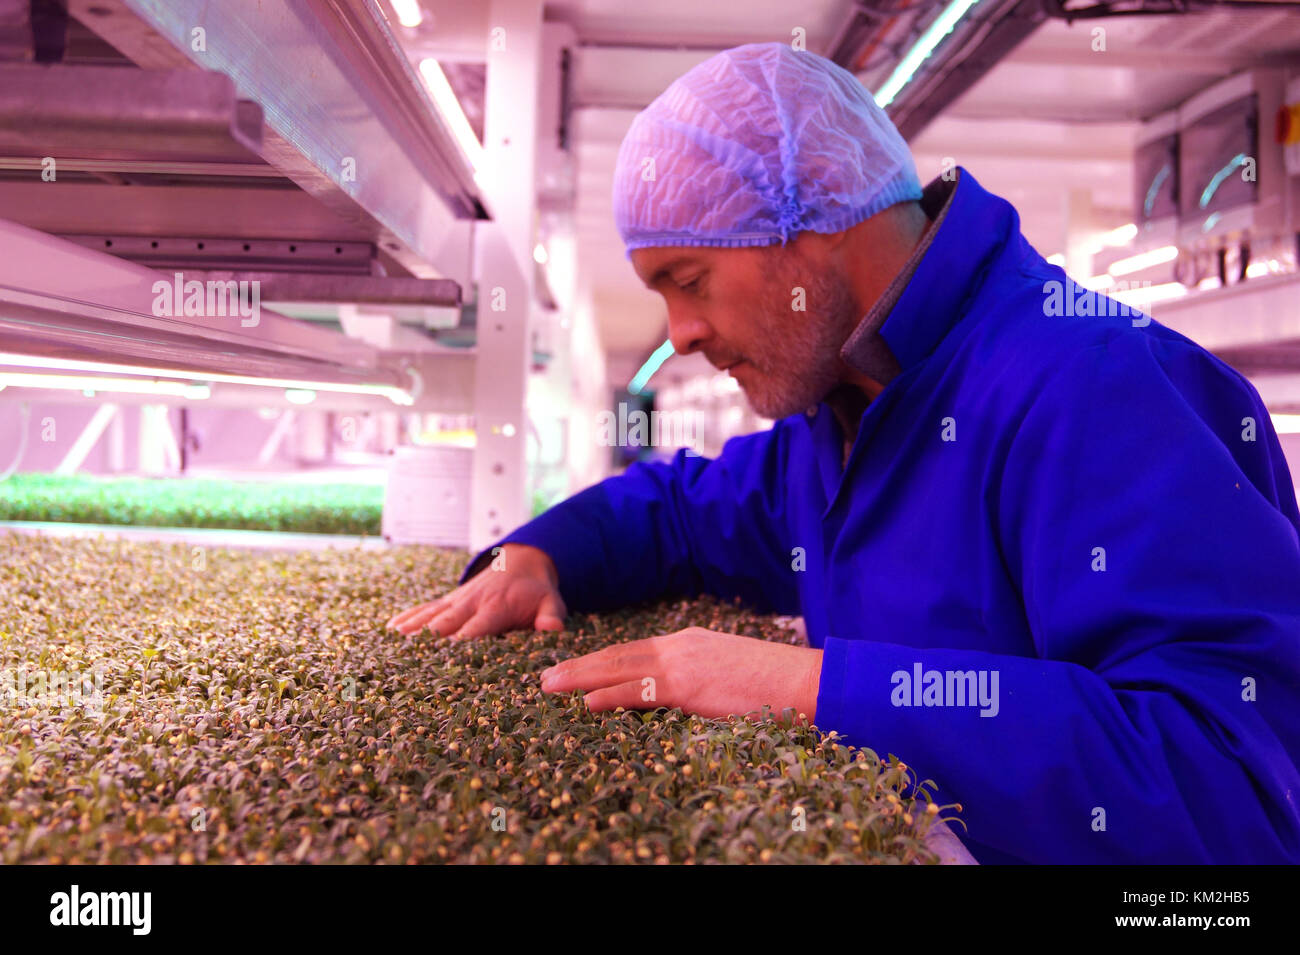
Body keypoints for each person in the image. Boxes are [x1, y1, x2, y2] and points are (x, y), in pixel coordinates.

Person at [388, 43, 1300, 864]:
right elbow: (678, 511)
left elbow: (1231, 785)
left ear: (818, 214)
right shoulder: (842, 413)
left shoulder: (1102, 389)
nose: (683, 333)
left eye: (690, 280)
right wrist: (540, 555)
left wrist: (811, 687)